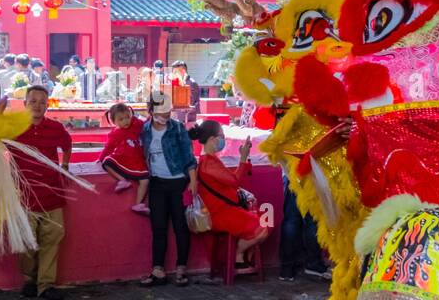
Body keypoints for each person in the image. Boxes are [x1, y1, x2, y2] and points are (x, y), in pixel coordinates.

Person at [12, 85, 71, 300]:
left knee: (52, 239)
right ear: (25, 103)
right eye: (33, 101)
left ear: (48, 105)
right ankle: (29, 279)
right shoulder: (13, 128)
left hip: (53, 194)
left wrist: (65, 164)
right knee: (27, 240)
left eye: (41, 102)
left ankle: (46, 284)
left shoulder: (55, 128)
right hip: (24, 195)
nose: (37, 105)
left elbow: (67, 143)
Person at [190, 121, 268, 272]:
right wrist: (243, 158)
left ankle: (240, 259)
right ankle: (236, 255)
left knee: (260, 222)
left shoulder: (210, 160)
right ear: (212, 139)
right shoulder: (209, 163)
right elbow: (234, 180)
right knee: (262, 228)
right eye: (222, 136)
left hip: (225, 211)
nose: (223, 140)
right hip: (220, 214)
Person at [139, 90, 197, 287]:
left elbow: (189, 157)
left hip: (178, 183)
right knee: (158, 227)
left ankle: (181, 268)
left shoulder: (178, 129)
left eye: (168, 112)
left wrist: (193, 181)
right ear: (152, 111)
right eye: (162, 112)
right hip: (156, 183)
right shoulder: (145, 130)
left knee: (181, 227)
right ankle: (158, 270)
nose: (166, 116)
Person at [278, 171, 328, 282]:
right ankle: (313, 263)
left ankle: (287, 269)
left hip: (292, 175)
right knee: (311, 221)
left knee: (291, 221)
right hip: (309, 176)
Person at [99, 102, 149, 213]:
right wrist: (100, 158)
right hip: (123, 160)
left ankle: (138, 204)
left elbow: (147, 123)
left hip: (138, 161)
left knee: (145, 180)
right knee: (106, 162)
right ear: (114, 122)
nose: (126, 121)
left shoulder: (137, 125)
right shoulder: (115, 134)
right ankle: (122, 180)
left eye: (128, 117)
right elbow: (108, 148)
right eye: (121, 119)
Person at [169, 59, 201, 124]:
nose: (174, 74)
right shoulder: (175, 82)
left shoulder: (191, 83)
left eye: (176, 72)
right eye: (173, 72)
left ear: (183, 71)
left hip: (187, 119)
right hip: (176, 118)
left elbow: (190, 102)